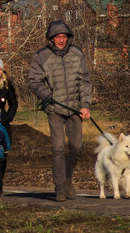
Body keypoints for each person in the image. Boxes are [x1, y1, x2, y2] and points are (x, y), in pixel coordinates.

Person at [28, 20, 92, 202]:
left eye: (64, 36)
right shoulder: (41, 56)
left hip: (74, 109)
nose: (61, 40)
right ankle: (60, 188)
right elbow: (33, 81)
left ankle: (68, 179)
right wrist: (47, 95)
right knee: (57, 149)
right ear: (51, 39)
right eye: (58, 37)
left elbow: (85, 81)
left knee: (76, 147)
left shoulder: (77, 54)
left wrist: (85, 105)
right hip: (55, 109)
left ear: (68, 37)